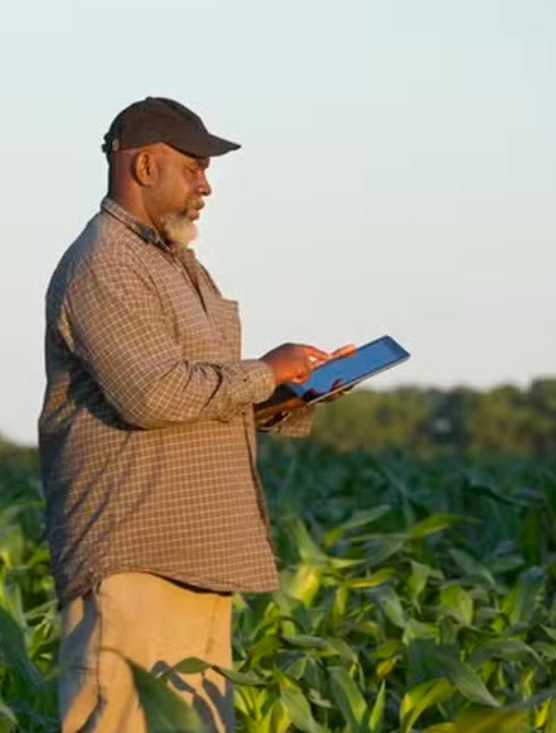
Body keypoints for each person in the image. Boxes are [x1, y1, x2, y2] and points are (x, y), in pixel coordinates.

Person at [37, 96, 353, 733]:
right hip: (137, 553)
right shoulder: (107, 263)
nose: (205, 184)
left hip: (197, 551)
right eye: (194, 167)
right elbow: (152, 396)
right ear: (145, 166)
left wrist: (294, 391)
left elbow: (201, 396)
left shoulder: (176, 264)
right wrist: (266, 370)